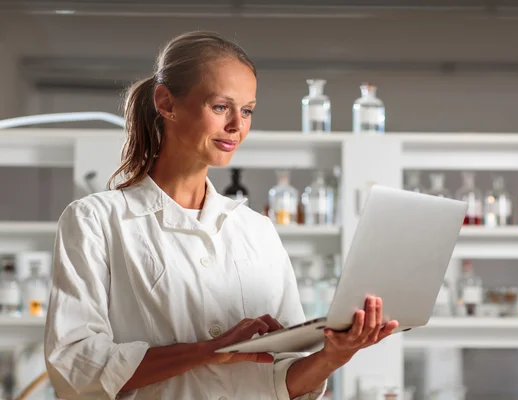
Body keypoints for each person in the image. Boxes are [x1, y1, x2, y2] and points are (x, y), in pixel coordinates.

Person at [44, 30, 399, 400]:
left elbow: (281, 378)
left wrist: (333, 356)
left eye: (247, 110)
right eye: (220, 107)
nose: (237, 125)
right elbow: (75, 365)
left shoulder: (257, 231)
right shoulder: (96, 221)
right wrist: (208, 351)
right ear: (167, 103)